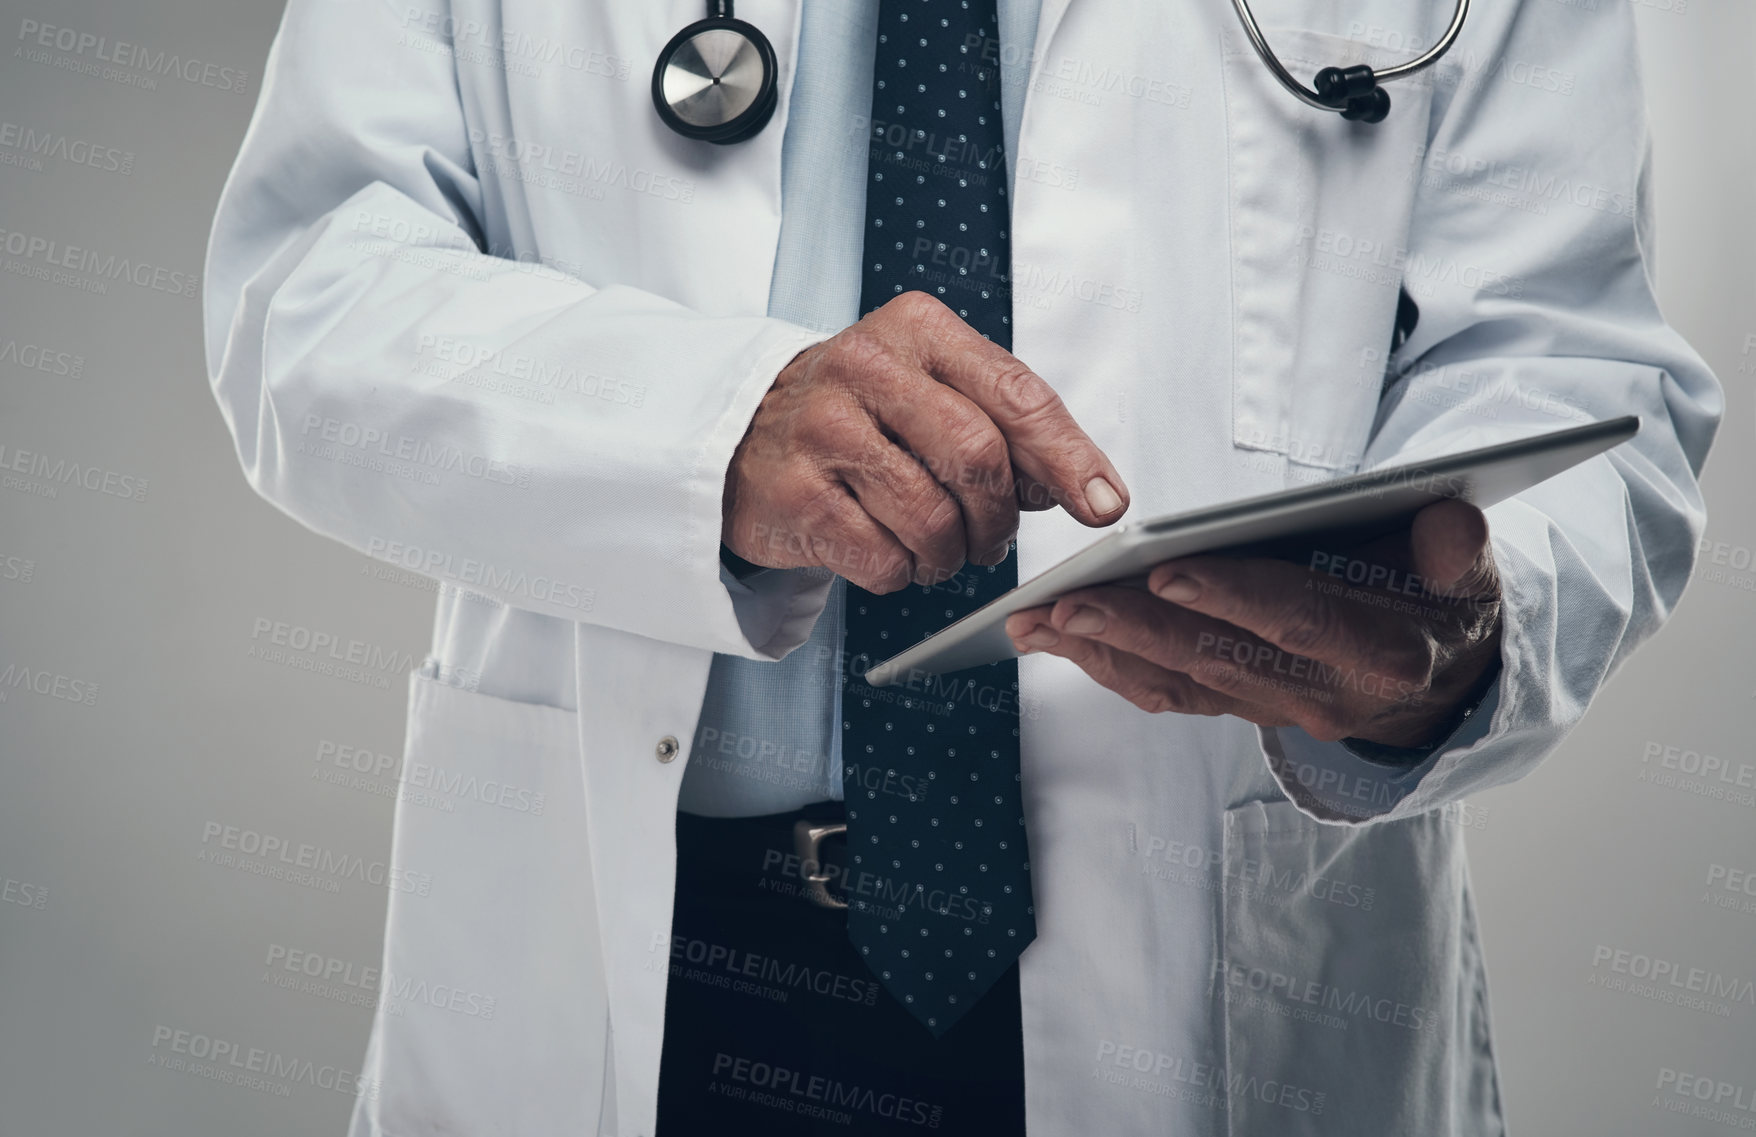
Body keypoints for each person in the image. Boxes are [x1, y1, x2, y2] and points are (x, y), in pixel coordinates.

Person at [203, 0, 1720, 1133]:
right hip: (640, 976)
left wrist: (1471, 622)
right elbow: (305, 296)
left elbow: (1579, 372)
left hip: (1208, 981)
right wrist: (706, 426)